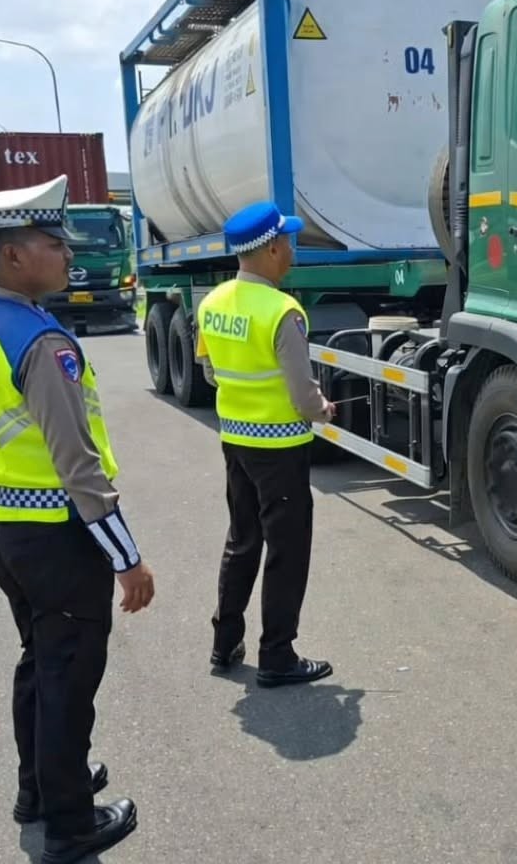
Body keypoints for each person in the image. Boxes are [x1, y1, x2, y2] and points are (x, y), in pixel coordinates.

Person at [0, 175, 154, 864]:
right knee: (68, 678)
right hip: (55, 538)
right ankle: (69, 821)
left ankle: (39, 786)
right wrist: (127, 558)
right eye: (53, 243)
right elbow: (79, 468)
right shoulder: (40, 343)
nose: (68, 255)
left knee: (40, 662)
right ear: (12, 257)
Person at [194, 200, 337, 688]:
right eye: (289, 241)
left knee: (242, 539)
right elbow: (302, 395)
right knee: (287, 549)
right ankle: (277, 654)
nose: (292, 249)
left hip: (235, 440)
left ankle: (224, 640)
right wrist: (323, 409)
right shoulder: (283, 311)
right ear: (273, 248)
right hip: (281, 447)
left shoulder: (210, 304)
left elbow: (211, 373)